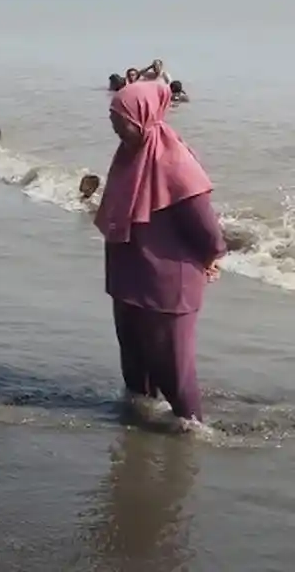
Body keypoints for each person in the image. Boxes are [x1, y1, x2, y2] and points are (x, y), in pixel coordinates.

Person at [96, 81, 226, 425]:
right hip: (128, 277)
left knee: (173, 365)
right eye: (112, 117)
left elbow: (207, 228)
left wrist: (212, 256)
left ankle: (192, 428)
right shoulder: (128, 155)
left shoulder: (175, 162)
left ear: (143, 117)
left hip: (167, 284)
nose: (113, 125)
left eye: (119, 118)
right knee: (135, 359)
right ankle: (140, 421)